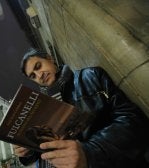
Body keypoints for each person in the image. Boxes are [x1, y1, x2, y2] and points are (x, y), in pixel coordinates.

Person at [13, 48, 149, 168]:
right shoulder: (44, 108)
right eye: (33, 76)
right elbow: (50, 144)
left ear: (50, 58)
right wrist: (28, 151)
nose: (39, 75)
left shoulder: (90, 76)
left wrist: (89, 152)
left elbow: (134, 121)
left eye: (38, 66)